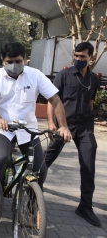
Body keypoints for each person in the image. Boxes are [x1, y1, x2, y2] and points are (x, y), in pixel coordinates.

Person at [0, 42, 71, 214]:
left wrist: (63, 127)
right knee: (0, 159)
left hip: (28, 129)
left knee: (40, 169)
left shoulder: (35, 75)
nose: (14, 65)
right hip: (3, 128)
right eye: (9, 61)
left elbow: (55, 100)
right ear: (2, 60)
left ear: (25, 60)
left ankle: (33, 201)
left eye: (18, 61)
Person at [44, 42, 101, 226]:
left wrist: (90, 120)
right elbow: (51, 101)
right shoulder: (64, 75)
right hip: (64, 126)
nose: (78, 59)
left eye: (83, 57)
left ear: (90, 57)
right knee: (45, 159)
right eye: (76, 56)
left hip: (85, 128)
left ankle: (85, 206)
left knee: (88, 165)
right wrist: (52, 123)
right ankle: (32, 190)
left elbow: (91, 101)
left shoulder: (94, 79)